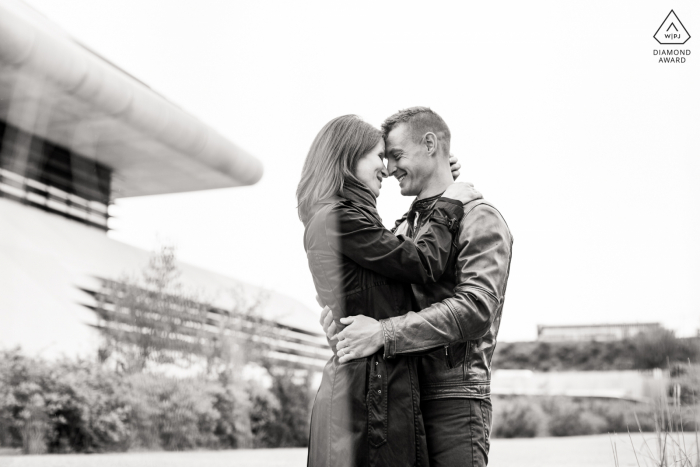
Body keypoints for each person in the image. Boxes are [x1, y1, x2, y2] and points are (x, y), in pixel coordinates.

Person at [321, 107, 513, 467]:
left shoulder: (479, 217)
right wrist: (343, 324)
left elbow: (475, 310)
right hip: (399, 397)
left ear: (429, 144)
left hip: (452, 400)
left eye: (396, 156)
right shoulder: (401, 231)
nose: (390, 168)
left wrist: (383, 332)